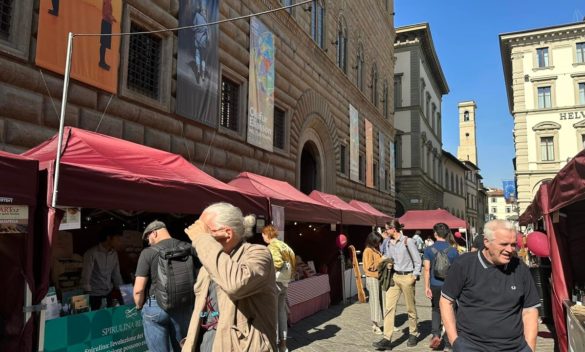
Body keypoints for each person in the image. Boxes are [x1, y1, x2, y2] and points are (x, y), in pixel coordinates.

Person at [182, 202, 277, 352]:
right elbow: (203, 308)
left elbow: (236, 284)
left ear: (228, 233)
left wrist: (202, 239)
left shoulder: (259, 254)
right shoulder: (212, 261)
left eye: (205, 231)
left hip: (241, 346)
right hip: (207, 342)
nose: (196, 241)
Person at [440, 220, 540, 352]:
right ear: (486, 242)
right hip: (471, 347)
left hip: (514, 347)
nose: (510, 250)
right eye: (504, 244)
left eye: (513, 244)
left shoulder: (520, 268)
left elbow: (530, 310)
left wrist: (529, 348)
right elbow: (446, 301)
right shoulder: (464, 264)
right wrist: (456, 342)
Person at [134, 220, 196, 352]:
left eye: (147, 238)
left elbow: (138, 290)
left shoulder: (148, 252)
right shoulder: (188, 247)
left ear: (154, 233)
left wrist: (139, 306)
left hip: (156, 307)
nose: (148, 242)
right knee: (183, 348)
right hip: (183, 304)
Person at [373, 219, 422, 350]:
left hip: (407, 277)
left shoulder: (408, 241)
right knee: (389, 308)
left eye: (386, 229)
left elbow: (418, 260)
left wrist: (414, 276)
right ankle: (386, 338)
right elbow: (387, 256)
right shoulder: (388, 243)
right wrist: (382, 262)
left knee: (410, 308)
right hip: (394, 277)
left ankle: (413, 333)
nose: (385, 231)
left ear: (393, 229)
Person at [423, 223, 459, 351]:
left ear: (435, 234)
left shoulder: (428, 250)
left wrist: (426, 287)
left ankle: (435, 335)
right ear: (448, 234)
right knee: (451, 311)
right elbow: (457, 271)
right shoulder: (453, 251)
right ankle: (450, 341)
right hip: (449, 286)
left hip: (435, 285)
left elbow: (427, 269)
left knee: (436, 310)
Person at [261, 224, 296, 352]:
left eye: (263, 235)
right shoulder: (284, 245)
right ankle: (283, 345)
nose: (262, 237)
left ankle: (273, 346)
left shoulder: (272, 246)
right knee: (281, 313)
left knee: (273, 314)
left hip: (275, 283)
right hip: (285, 282)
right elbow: (293, 260)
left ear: (267, 234)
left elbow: (277, 262)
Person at [81, 225, 123, 310]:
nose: (120, 242)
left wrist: (123, 290)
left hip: (109, 293)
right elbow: (86, 276)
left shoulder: (114, 254)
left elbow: (116, 274)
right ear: (108, 238)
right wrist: (87, 297)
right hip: (94, 295)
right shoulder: (92, 253)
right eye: (117, 239)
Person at [363, 231, 385, 335]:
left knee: (382, 300)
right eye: (377, 242)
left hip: (378, 277)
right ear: (373, 241)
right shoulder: (367, 251)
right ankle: (375, 325)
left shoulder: (375, 249)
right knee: (375, 301)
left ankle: (385, 323)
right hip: (372, 278)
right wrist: (382, 261)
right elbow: (369, 266)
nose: (379, 244)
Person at [99, 0, 116, 71]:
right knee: (104, 44)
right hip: (106, 23)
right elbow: (106, 13)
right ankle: (102, 61)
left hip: (107, 23)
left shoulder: (108, 1)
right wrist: (112, 18)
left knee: (104, 44)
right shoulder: (107, 2)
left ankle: (102, 61)